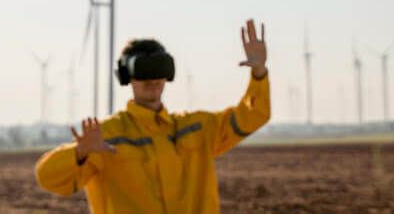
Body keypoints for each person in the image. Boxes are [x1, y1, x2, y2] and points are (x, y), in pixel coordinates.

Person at [35, 18, 270, 213]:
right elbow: (48, 178)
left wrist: (259, 73)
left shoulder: (197, 127)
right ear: (127, 76)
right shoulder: (107, 137)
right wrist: (80, 152)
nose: (153, 80)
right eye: (144, 71)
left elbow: (253, 115)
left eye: (160, 69)